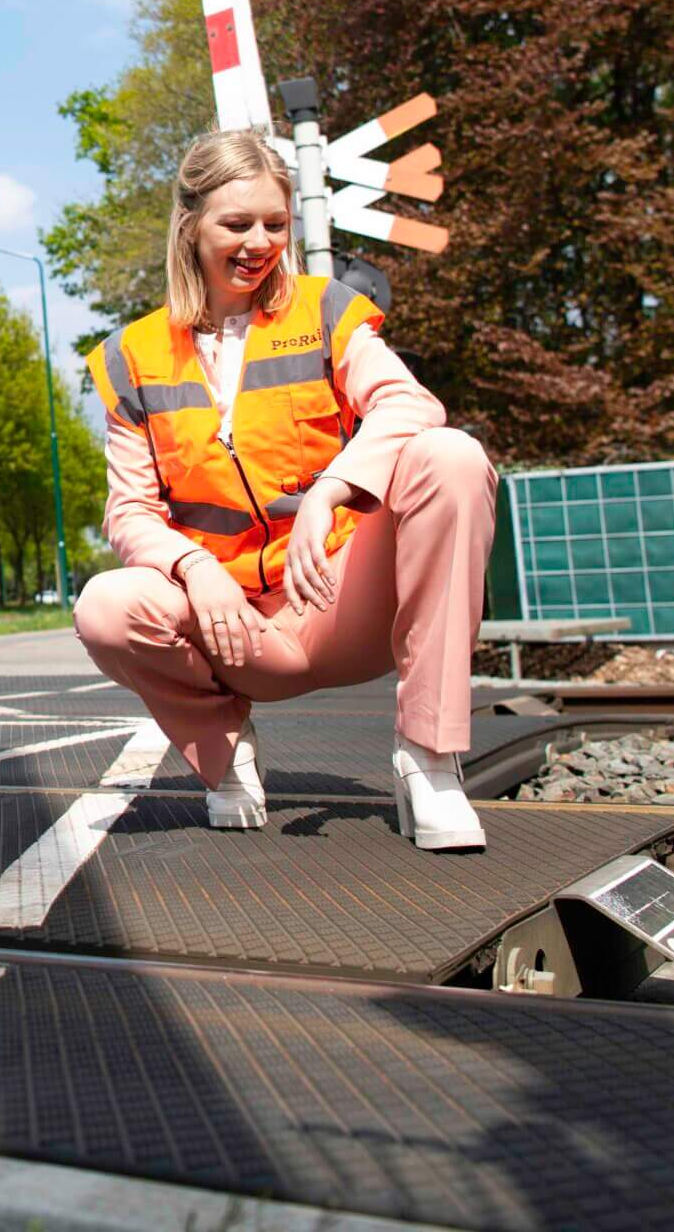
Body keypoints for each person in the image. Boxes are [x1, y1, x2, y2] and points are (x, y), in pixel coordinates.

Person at [73, 129, 497, 850]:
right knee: (106, 605)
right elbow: (131, 509)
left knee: (450, 455)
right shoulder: (131, 356)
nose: (258, 242)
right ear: (190, 225)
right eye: (236, 224)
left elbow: (410, 404)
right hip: (239, 628)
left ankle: (428, 756)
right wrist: (195, 569)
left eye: (275, 223)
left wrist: (333, 491)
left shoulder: (325, 310)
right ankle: (225, 747)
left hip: (341, 597)